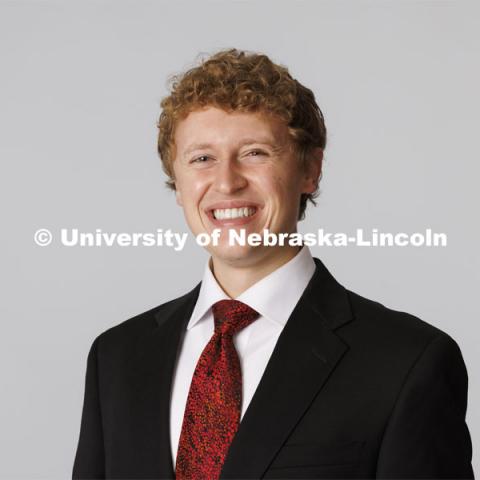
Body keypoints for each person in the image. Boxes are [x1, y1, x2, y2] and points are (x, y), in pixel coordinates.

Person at [72, 48, 474, 479]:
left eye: (255, 153)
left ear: (310, 170)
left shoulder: (407, 362)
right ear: (177, 182)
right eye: (202, 158)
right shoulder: (117, 358)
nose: (226, 181)